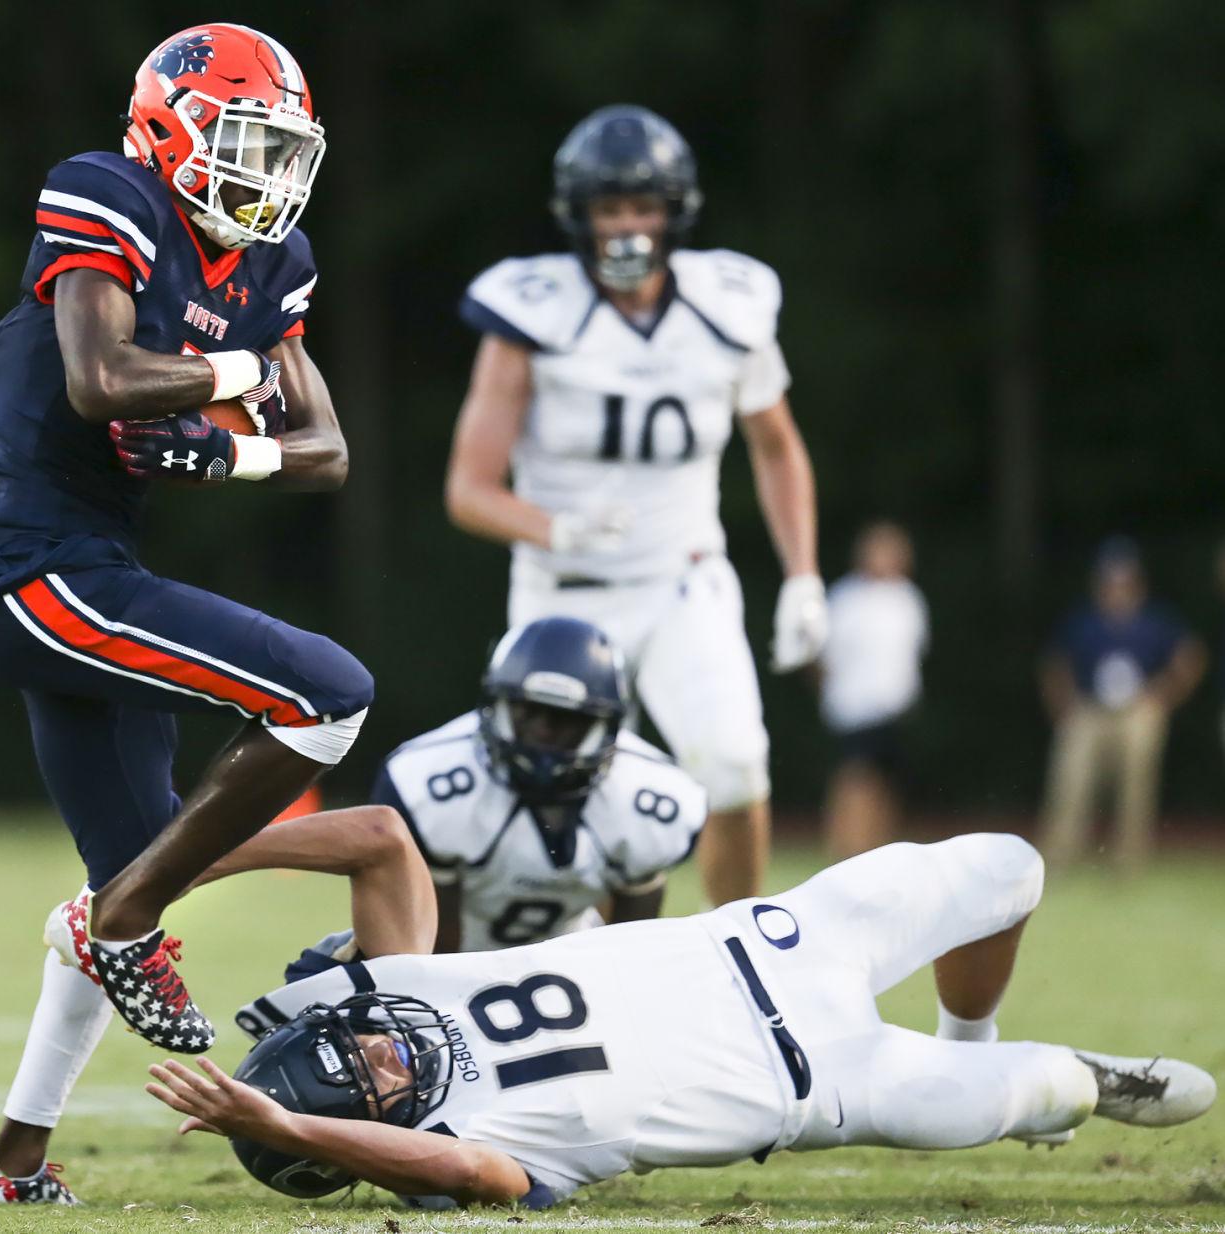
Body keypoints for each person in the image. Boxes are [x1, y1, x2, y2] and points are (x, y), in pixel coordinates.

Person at [0, 23, 371, 1199]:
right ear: (170, 125)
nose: (267, 175)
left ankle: (9, 1165)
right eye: (246, 142)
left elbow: (329, 450)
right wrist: (237, 381)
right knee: (329, 692)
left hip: (85, 568)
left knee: (131, 875)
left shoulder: (272, 262)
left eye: (281, 150)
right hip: (30, 568)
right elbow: (101, 377)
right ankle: (124, 914)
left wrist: (233, 460)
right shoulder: (107, 190)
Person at [146, 833, 1216, 1208]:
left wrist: (182, 856)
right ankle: (1062, 1079)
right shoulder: (468, 1145)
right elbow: (473, 1180)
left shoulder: (401, 984)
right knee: (1049, 1091)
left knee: (1009, 867)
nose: (376, 1047)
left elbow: (379, 838)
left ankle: (971, 1037)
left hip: (779, 937)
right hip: (835, 1082)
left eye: (352, 1036)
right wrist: (284, 1129)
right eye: (360, 1072)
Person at [443, 105, 823, 908]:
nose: (625, 227)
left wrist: (802, 575)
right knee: (559, 798)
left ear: (674, 211)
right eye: (608, 209)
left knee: (733, 765)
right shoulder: (531, 315)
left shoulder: (728, 306)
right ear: (576, 216)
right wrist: (556, 529)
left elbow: (777, 445)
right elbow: (467, 490)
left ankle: (740, 960)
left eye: (641, 207)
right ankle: (597, 974)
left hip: (682, 578)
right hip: (565, 599)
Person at [0, 804, 431, 1204]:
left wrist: (165, 872)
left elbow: (380, 836)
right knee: (333, 703)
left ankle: (14, 1161)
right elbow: (379, 835)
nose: (385, 1054)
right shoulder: (414, 1014)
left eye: (359, 1064)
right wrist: (167, 871)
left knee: (331, 703)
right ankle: (122, 904)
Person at [373, 617, 705, 952]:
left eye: (567, 719)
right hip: (457, 953)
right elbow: (429, 949)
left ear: (604, 726)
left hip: (572, 958)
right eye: (529, 711)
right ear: (497, 705)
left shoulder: (649, 796)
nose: (544, 731)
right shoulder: (430, 781)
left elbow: (631, 950)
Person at [1038, 537, 1205, 870]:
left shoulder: (1155, 620)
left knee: (1136, 784)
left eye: (1122, 580)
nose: (1115, 588)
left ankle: (1128, 858)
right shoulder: (1084, 621)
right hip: (1090, 708)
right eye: (1110, 580)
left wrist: (1163, 695)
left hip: (1138, 709)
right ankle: (1061, 852)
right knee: (1071, 779)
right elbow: (1054, 664)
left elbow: (1190, 657)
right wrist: (1063, 705)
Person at [818, 522, 928, 857]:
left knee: (886, 781)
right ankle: (844, 844)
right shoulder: (845, 597)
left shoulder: (908, 598)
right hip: (856, 705)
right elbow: (824, 654)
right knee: (856, 777)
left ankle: (879, 847)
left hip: (895, 706)